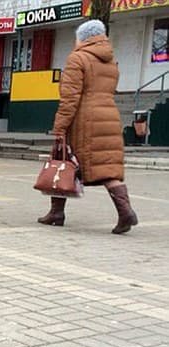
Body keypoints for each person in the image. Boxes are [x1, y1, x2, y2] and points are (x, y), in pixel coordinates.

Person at [40, 19, 138, 235]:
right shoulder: (111, 62)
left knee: (62, 159)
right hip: (108, 115)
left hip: (84, 119)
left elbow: (70, 97)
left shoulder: (78, 58)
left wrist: (60, 127)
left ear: (83, 38)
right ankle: (125, 211)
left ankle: (56, 213)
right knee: (106, 169)